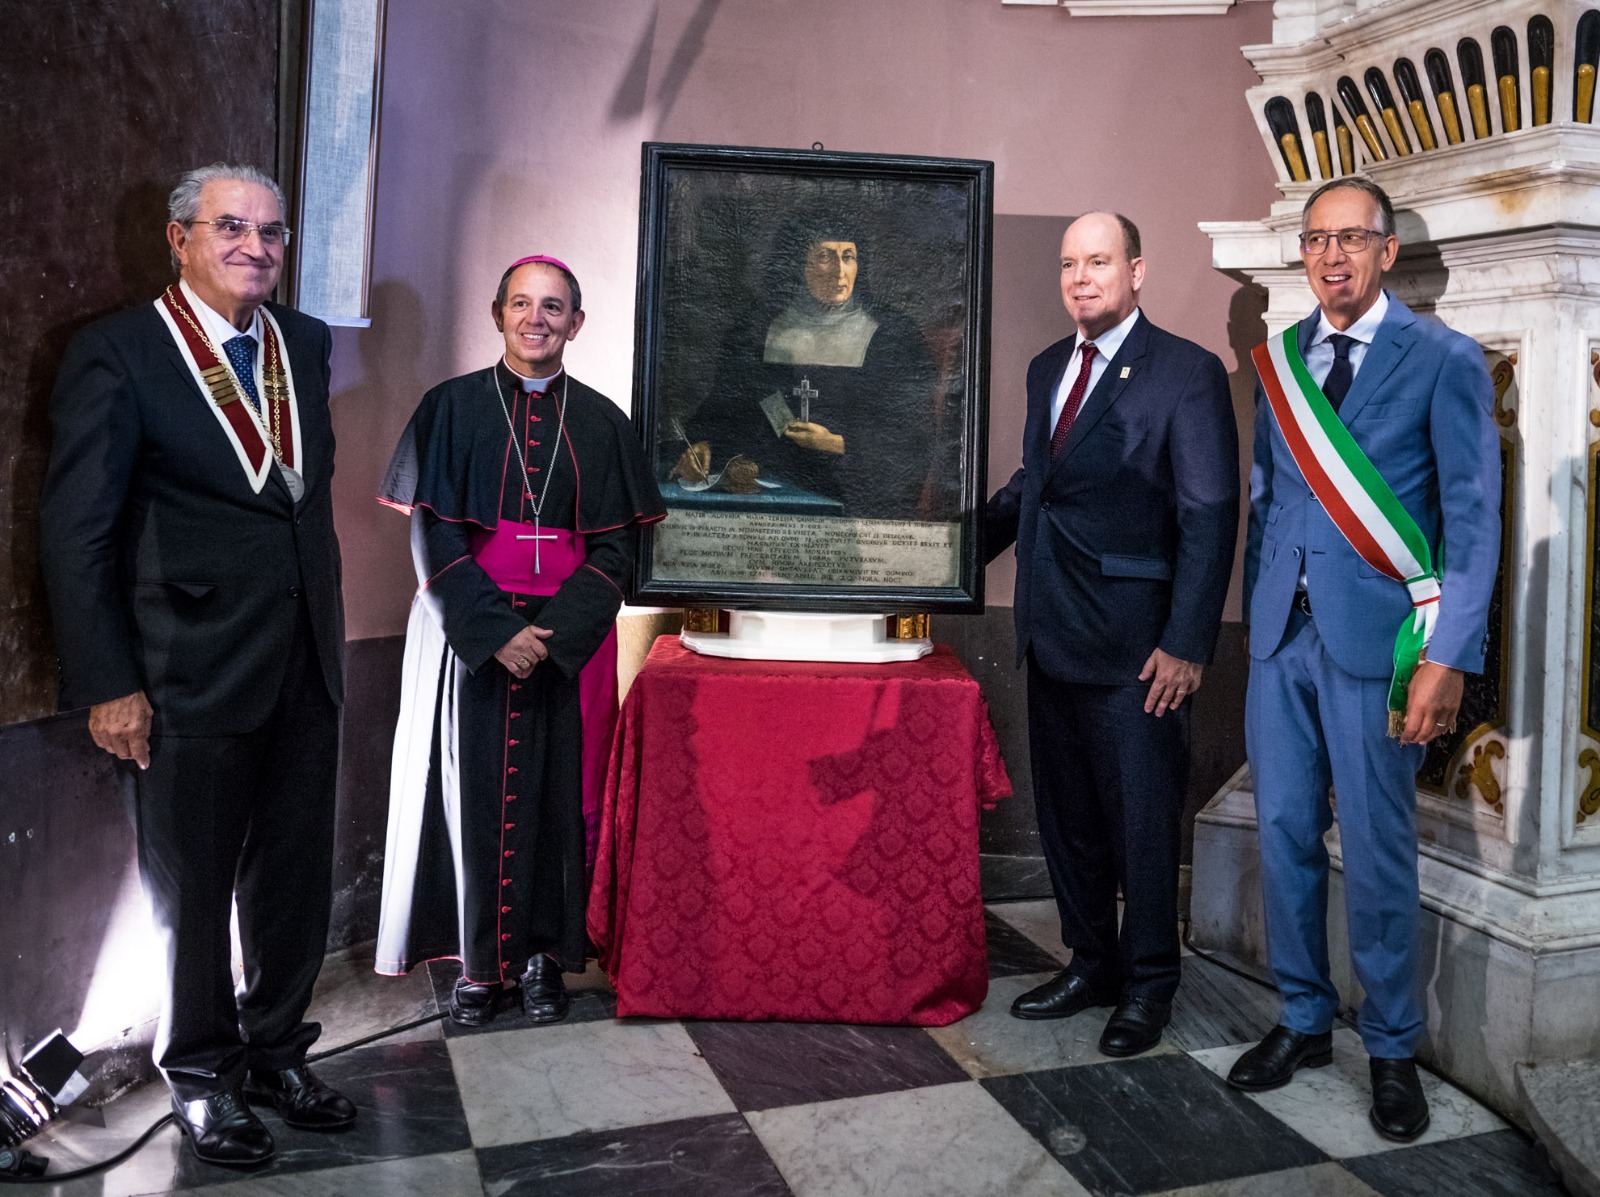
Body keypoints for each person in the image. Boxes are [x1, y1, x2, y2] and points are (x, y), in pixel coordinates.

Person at [38, 163, 353, 1167]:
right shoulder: (119, 354)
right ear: (180, 239)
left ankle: (274, 1050)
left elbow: (291, 499)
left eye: (271, 231)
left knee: (294, 874)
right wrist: (107, 681)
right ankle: (205, 1077)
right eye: (231, 228)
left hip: (304, 659)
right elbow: (75, 532)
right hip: (185, 672)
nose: (255, 247)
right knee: (195, 888)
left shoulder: (300, 344)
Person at [1227, 177, 1499, 1141]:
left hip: (1381, 642)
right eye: (1315, 240)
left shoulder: (1444, 360)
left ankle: (1390, 1045)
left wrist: (1450, 656)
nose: (1331, 256)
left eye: (1351, 238)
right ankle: (1302, 1017)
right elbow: (1267, 505)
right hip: (1281, 640)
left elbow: (1471, 520)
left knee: (1379, 850)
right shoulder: (1281, 365)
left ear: (1387, 251)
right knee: (1286, 832)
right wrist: (1257, 621)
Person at [375, 255, 665, 1028]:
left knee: (556, 799)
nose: (537, 318)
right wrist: (496, 633)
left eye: (554, 306)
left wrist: (554, 634)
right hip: (464, 634)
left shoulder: (602, 422)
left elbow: (617, 552)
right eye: (522, 304)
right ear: (496, 313)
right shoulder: (450, 408)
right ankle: (479, 965)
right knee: (464, 795)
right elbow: (432, 532)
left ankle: (541, 962)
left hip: (567, 643)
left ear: (577, 322)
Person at [986, 212, 1238, 1056]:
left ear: (1138, 268)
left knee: (1141, 824)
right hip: (1050, 631)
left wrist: (1189, 641)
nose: (1081, 277)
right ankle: (1090, 960)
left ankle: (1149, 984)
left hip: (1141, 651)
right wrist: (943, 557)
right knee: (1070, 821)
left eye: (1098, 261)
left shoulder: (1185, 371)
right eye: (1069, 263)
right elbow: (1036, 487)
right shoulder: (1047, 367)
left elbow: (1209, 513)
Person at [682, 219, 944, 520]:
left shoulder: (895, 335)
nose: (839, 271)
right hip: (766, 497)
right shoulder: (756, 329)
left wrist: (834, 443)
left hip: (854, 505)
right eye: (824, 256)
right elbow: (727, 409)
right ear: (797, 263)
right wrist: (705, 445)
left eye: (848, 256)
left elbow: (912, 438)